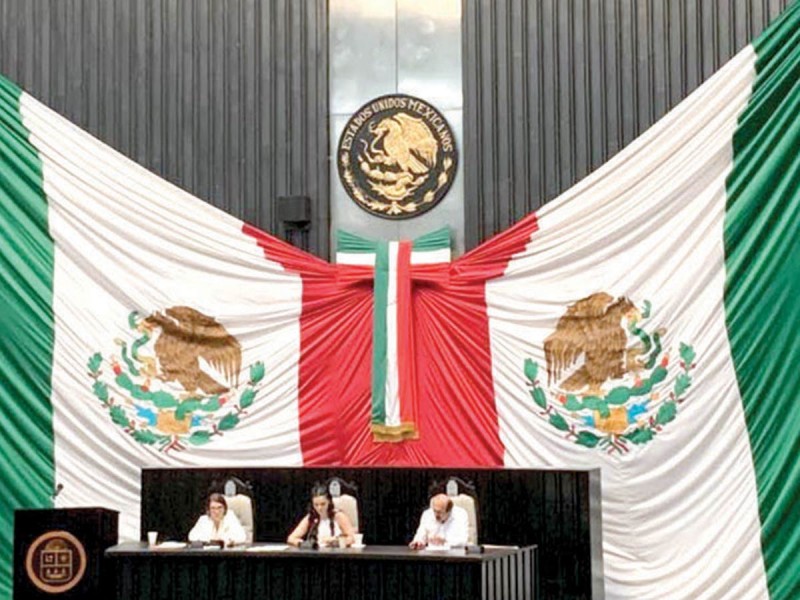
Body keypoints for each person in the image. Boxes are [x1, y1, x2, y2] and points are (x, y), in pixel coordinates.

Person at [287, 485, 356, 548]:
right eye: (316, 505)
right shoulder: (311, 517)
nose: (319, 508)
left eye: (323, 504)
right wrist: (305, 544)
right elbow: (291, 538)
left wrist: (336, 541)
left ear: (329, 501)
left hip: (336, 553)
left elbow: (352, 538)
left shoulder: (338, 516)